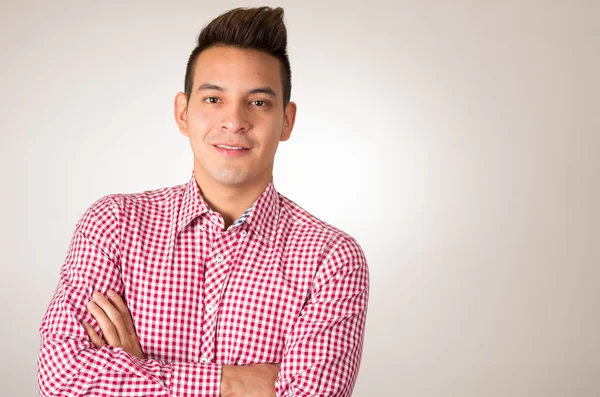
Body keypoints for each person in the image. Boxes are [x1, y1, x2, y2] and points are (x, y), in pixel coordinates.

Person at [37, 6, 369, 397]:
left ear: (287, 121)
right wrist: (234, 384)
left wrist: (137, 372)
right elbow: (62, 379)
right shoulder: (113, 225)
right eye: (213, 99)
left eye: (258, 103)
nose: (234, 121)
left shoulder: (331, 259)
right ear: (183, 112)